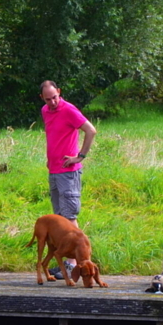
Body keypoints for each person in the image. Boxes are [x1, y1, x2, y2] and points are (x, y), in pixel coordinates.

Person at [40, 81, 97, 281]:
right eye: (48, 99)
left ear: (59, 93)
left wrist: (80, 156)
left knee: (69, 215)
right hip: (54, 170)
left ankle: (76, 262)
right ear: (43, 98)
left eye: (55, 97)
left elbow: (91, 130)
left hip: (68, 171)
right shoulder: (45, 111)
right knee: (59, 218)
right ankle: (66, 261)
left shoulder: (69, 110)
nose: (53, 102)